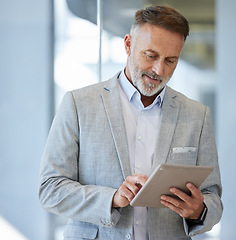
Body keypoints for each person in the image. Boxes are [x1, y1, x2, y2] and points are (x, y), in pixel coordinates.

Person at [39, 4, 223, 240]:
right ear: (128, 44)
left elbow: (214, 199)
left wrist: (199, 210)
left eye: (171, 60)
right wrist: (112, 198)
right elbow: (50, 189)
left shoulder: (197, 115)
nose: (159, 69)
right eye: (151, 55)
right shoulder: (78, 104)